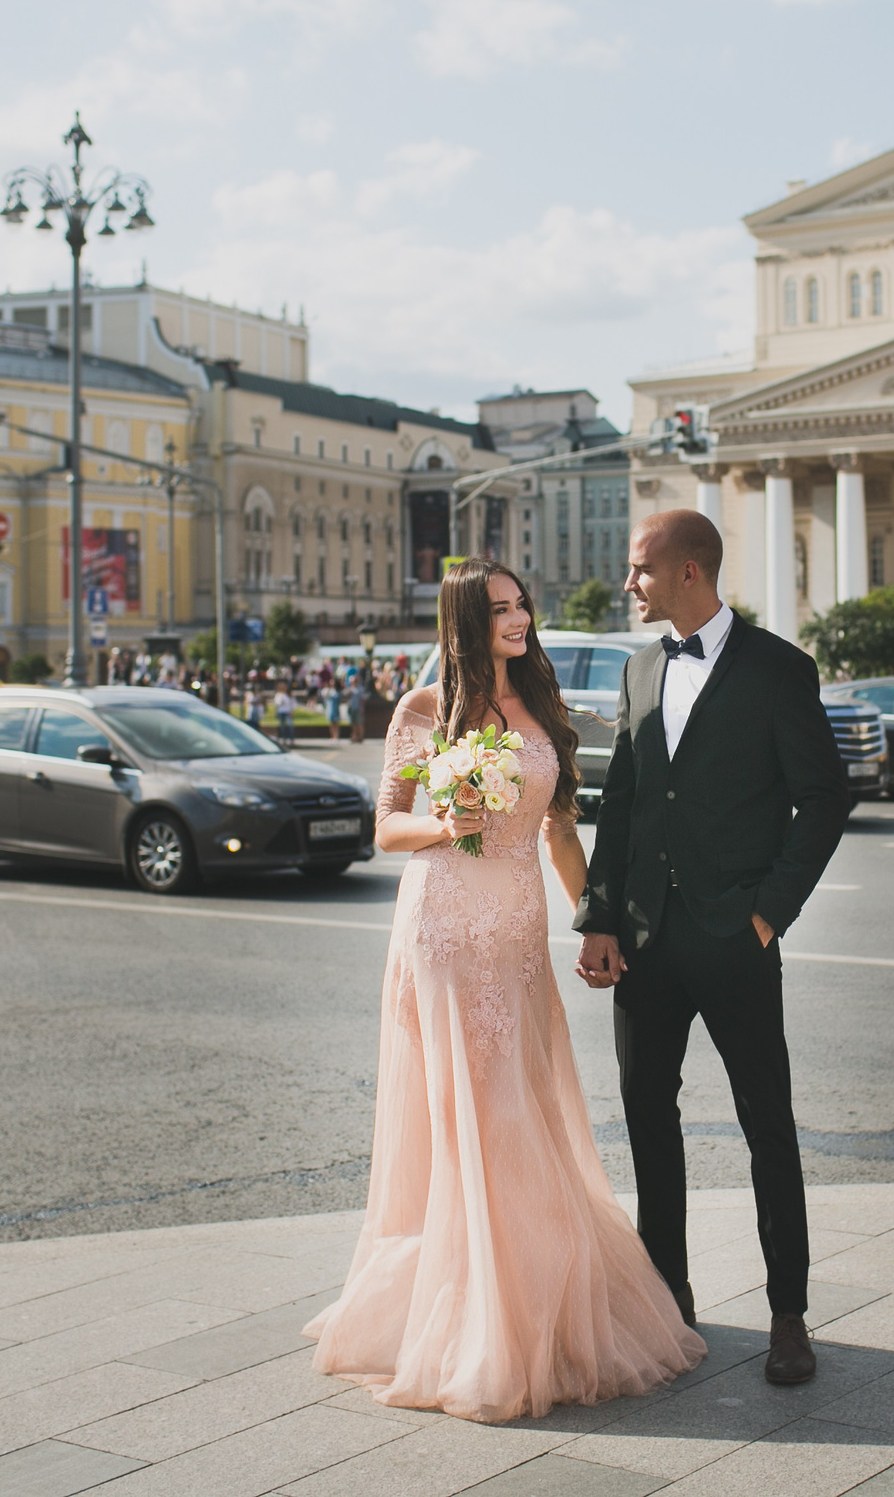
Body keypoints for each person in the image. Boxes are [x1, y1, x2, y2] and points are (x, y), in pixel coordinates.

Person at [309, 558, 703, 1422]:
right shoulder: (423, 711)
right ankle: (479, 1319)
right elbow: (386, 827)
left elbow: (560, 835)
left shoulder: (543, 709)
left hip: (518, 934)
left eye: (522, 603)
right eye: (499, 608)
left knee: (522, 1104)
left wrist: (594, 919)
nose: (519, 618)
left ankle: (529, 1290)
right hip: (444, 929)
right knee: (474, 1115)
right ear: (464, 620)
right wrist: (446, 821)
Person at [572, 510, 850, 1386]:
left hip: (736, 937)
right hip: (647, 940)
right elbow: (621, 799)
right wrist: (601, 918)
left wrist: (771, 911)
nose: (630, 585)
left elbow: (826, 798)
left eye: (639, 569)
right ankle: (671, 1302)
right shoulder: (639, 666)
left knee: (768, 1124)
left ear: (689, 570)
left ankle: (789, 1317)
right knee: (650, 1119)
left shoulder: (778, 669)